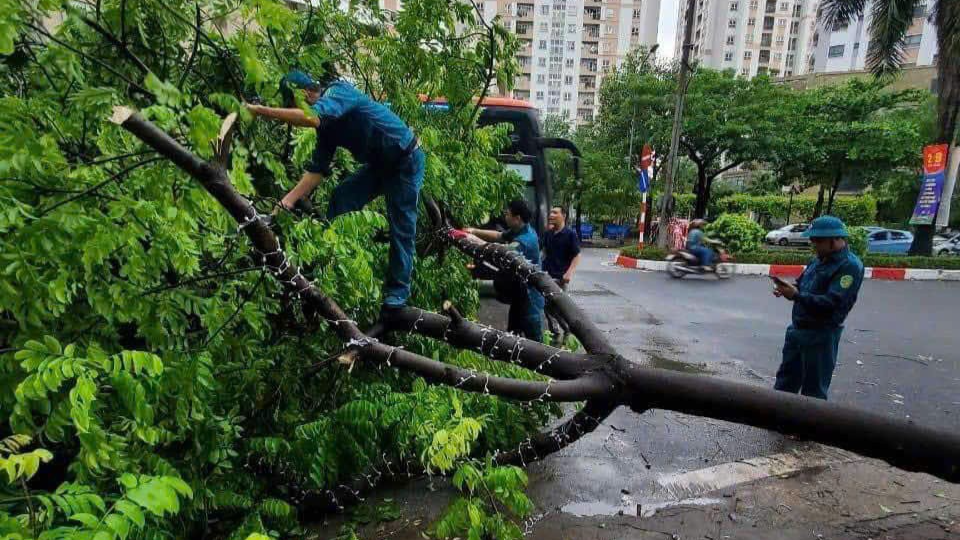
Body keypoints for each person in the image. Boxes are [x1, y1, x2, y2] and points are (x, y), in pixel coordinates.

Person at [245, 68, 426, 316]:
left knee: (401, 225)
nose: (295, 109)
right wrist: (284, 204)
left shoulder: (339, 92)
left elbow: (310, 118)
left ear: (308, 92)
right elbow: (316, 171)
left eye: (295, 102)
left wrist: (262, 112)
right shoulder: (326, 129)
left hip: (405, 159)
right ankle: (333, 263)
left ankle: (397, 296)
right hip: (379, 165)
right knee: (342, 198)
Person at [771, 215, 864, 400]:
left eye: (818, 241)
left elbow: (831, 303)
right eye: (812, 240)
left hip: (821, 334)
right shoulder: (818, 260)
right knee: (785, 383)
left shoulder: (850, 266)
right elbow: (801, 284)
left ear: (836, 240)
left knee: (813, 391)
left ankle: (807, 428)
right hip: (798, 330)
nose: (814, 244)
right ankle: (777, 423)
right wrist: (788, 289)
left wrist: (796, 295)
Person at [464, 200, 544, 342]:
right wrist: (474, 231)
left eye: (507, 214)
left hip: (529, 298)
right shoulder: (520, 230)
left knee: (535, 340)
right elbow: (498, 236)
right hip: (519, 295)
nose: (505, 217)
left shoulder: (525, 240)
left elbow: (502, 251)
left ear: (517, 218)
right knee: (513, 334)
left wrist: (473, 239)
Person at [542, 206, 581, 346]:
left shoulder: (570, 234)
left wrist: (569, 272)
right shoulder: (548, 234)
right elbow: (544, 251)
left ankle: (566, 330)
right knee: (546, 306)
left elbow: (577, 256)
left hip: (560, 277)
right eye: (550, 212)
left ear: (563, 215)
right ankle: (555, 332)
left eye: (555, 212)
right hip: (546, 275)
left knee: (557, 307)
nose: (551, 215)